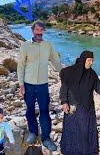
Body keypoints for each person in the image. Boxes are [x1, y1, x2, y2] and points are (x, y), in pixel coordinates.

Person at [59, 50, 100, 155]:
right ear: (83, 60)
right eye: (89, 60)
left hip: (87, 107)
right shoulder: (70, 72)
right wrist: (64, 102)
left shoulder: (92, 74)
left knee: (86, 130)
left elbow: (99, 87)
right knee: (72, 130)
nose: (91, 63)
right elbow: (64, 88)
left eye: (92, 60)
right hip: (73, 107)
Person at [17, 20, 62, 151]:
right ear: (32, 31)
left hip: (43, 85)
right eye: (37, 30)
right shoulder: (25, 46)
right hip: (28, 84)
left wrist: (65, 74)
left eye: (41, 30)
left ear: (43, 32)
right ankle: (33, 132)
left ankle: (46, 138)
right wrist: (21, 84)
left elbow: (55, 61)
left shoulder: (48, 45)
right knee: (29, 109)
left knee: (44, 111)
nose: (39, 33)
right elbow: (20, 65)